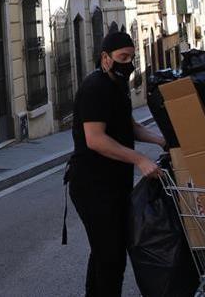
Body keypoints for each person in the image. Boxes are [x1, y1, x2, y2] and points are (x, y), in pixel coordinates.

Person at [67, 31, 168, 297]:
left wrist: (160, 141)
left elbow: (129, 126)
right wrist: (139, 159)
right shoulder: (94, 89)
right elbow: (95, 139)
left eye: (131, 58)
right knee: (111, 258)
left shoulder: (117, 86)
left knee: (104, 253)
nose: (128, 63)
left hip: (113, 185)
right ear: (105, 58)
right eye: (122, 57)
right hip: (92, 186)